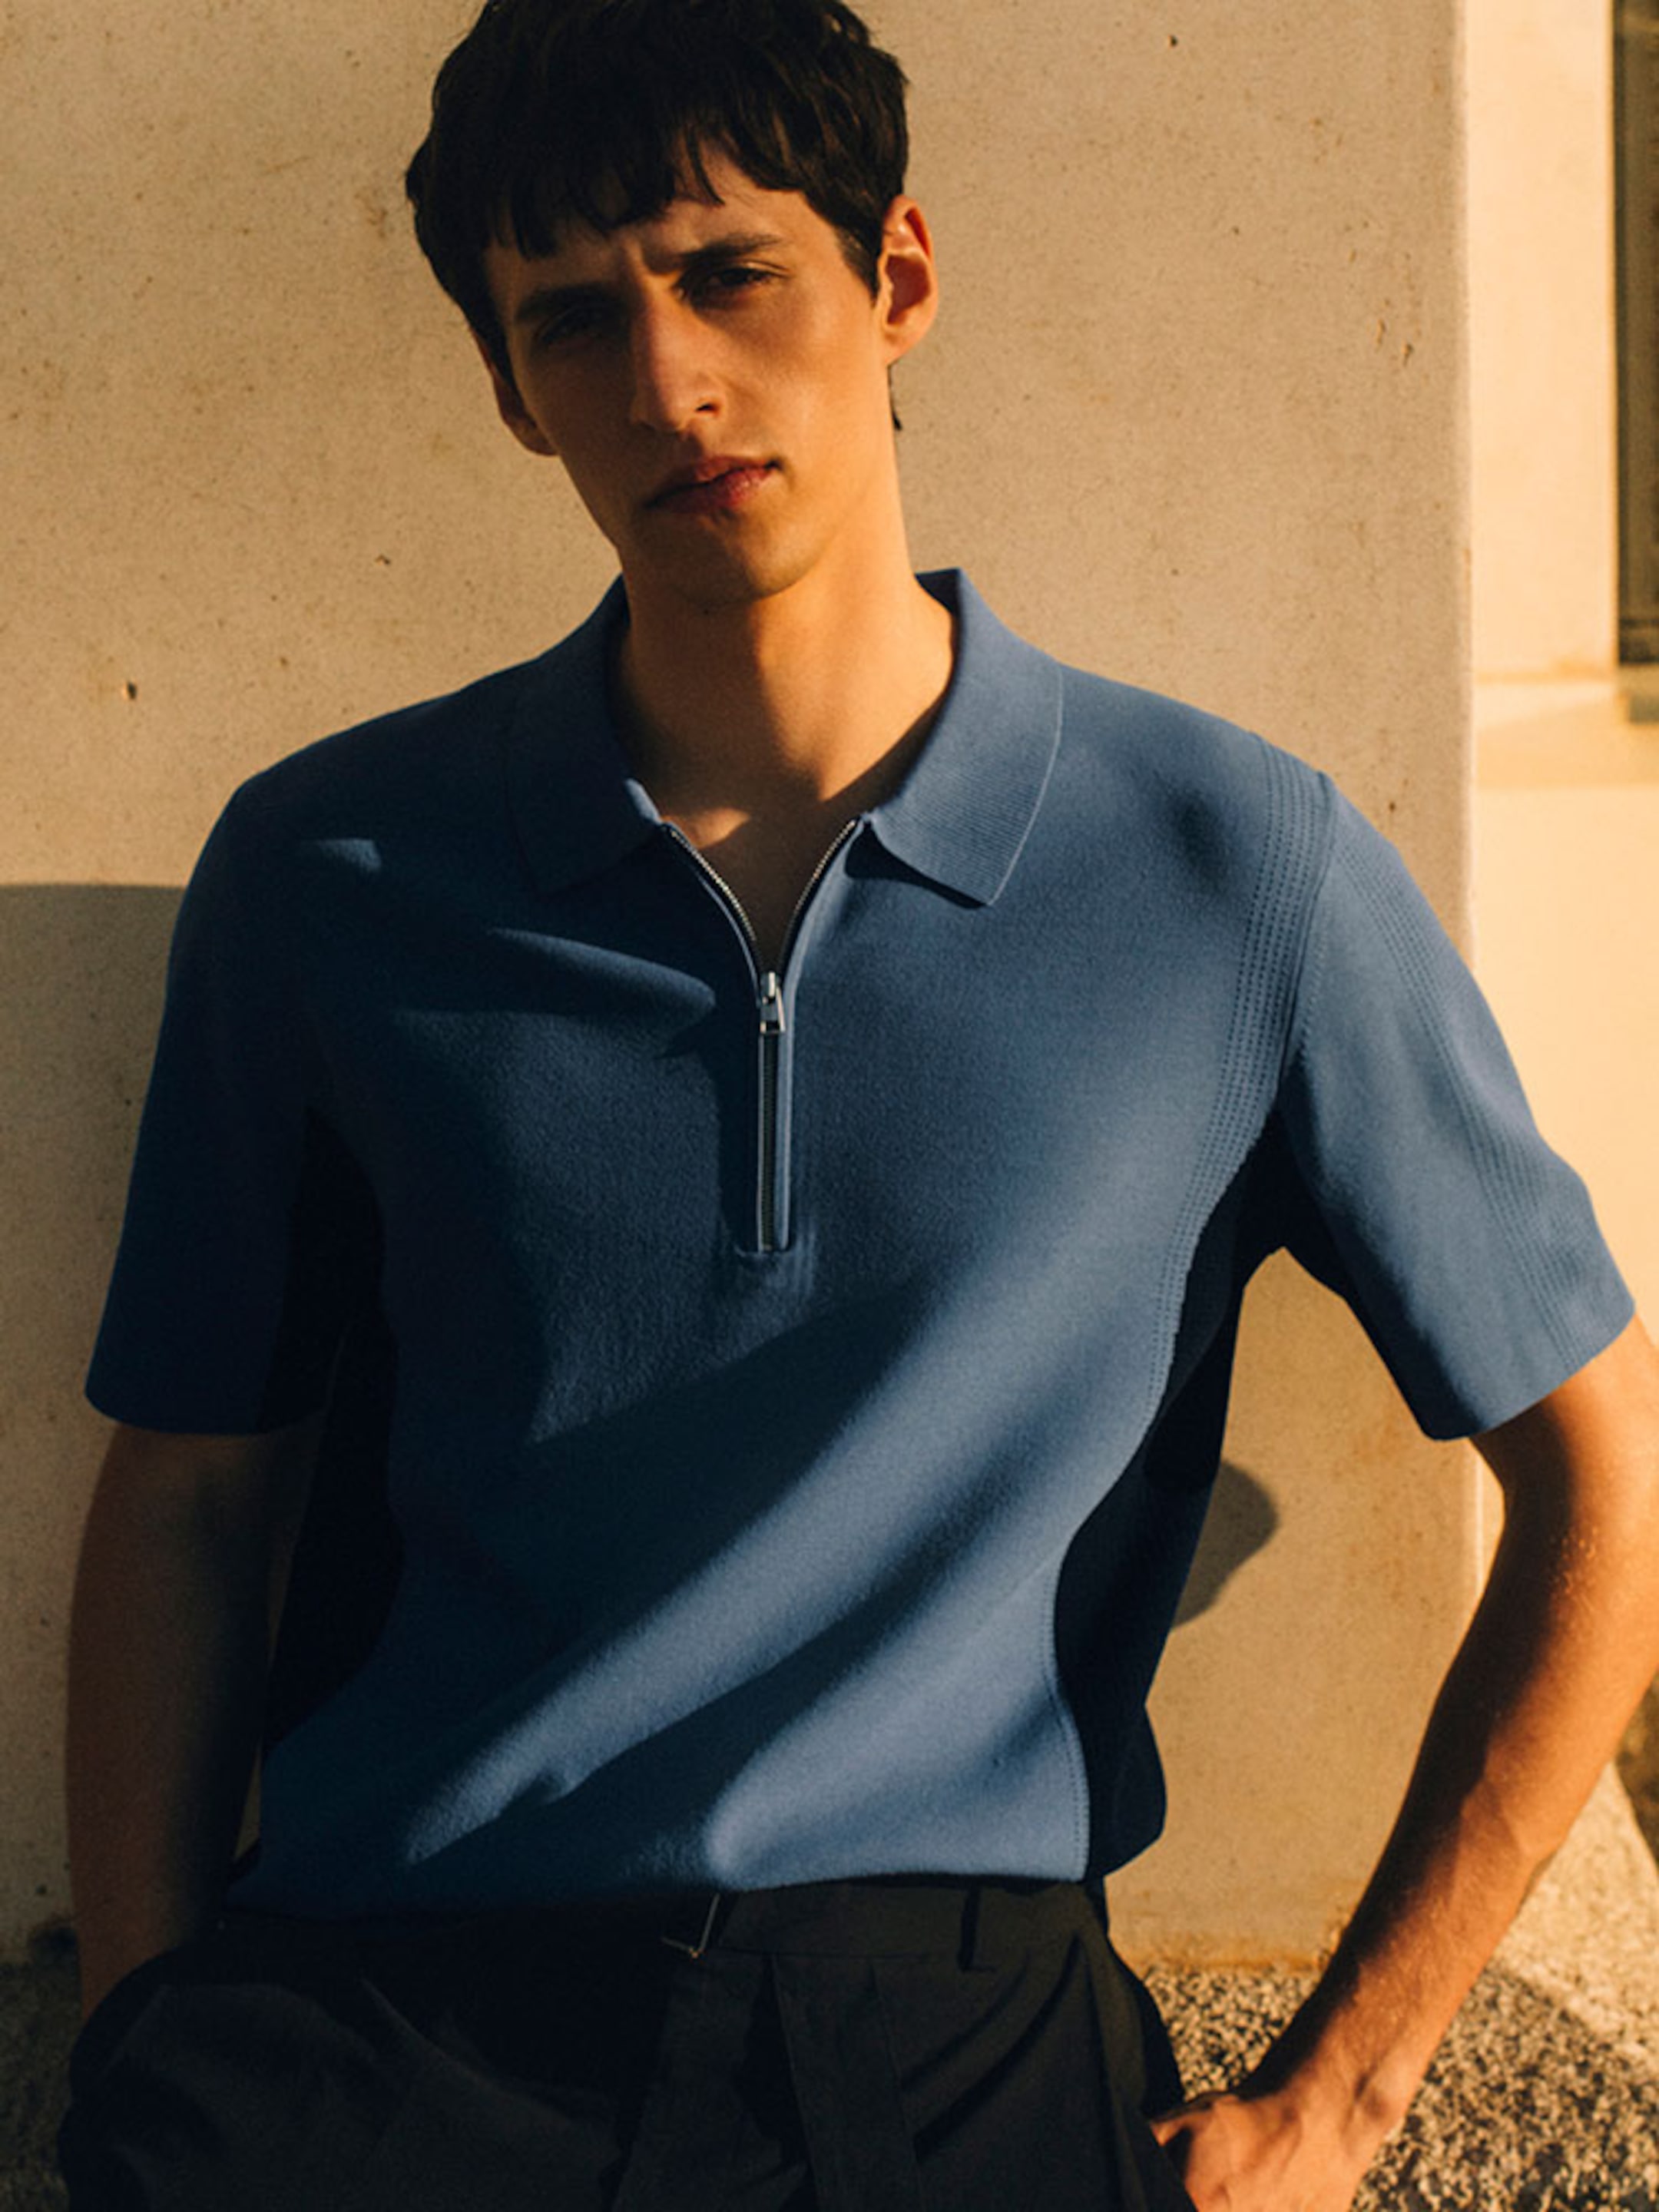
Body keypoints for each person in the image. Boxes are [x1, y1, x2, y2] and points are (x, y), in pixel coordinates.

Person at [59, 2, 1659, 2207]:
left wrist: (1350, 2092)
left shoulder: (1236, 869)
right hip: (382, 2032)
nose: (669, 383)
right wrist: (141, 2043)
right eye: (572, 318)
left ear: (894, 278)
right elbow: (191, 1500)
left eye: (732, 275)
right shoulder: (333, 870)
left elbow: (1607, 1483)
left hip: (943, 2049)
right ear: (507, 384)